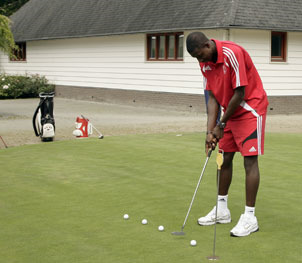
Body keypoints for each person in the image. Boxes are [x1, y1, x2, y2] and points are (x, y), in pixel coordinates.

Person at [186, 32, 268, 237]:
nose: (199, 60)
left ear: (207, 45)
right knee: (224, 159)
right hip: (228, 112)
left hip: (250, 108)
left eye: (199, 55)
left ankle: (250, 218)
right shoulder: (204, 62)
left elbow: (240, 92)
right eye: (196, 58)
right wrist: (209, 131)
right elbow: (212, 96)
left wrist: (220, 124)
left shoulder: (233, 53)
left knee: (249, 161)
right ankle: (222, 210)